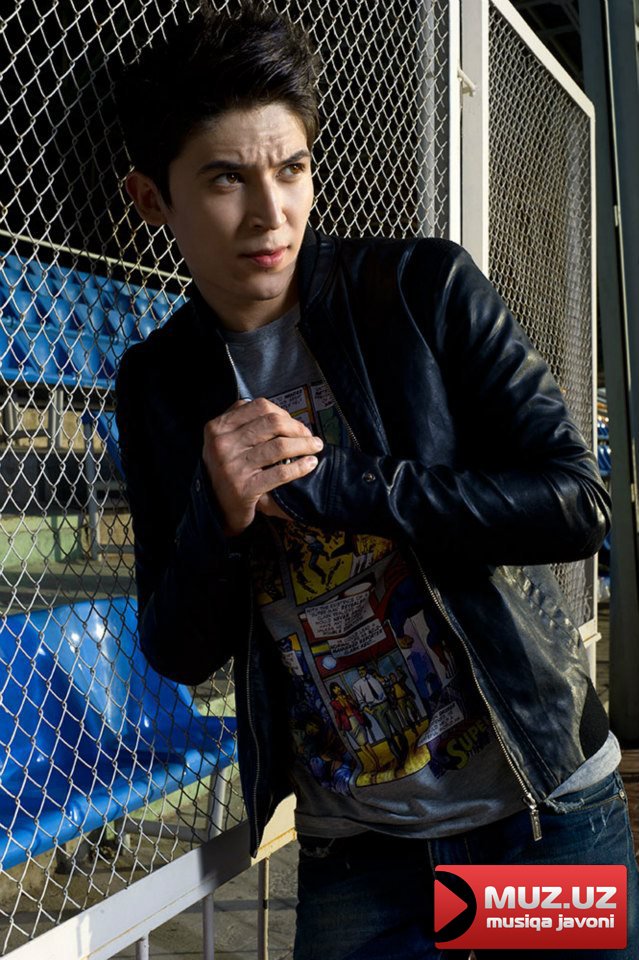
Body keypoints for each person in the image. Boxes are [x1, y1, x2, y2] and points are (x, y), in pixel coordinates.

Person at [113, 3, 639, 958]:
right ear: (153, 199)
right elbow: (178, 647)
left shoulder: (418, 290)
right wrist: (218, 520)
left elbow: (575, 504)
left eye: (291, 169)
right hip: (360, 858)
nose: (271, 214)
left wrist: (344, 484)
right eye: (227, 179)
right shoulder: (158, 385)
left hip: (539, 811)